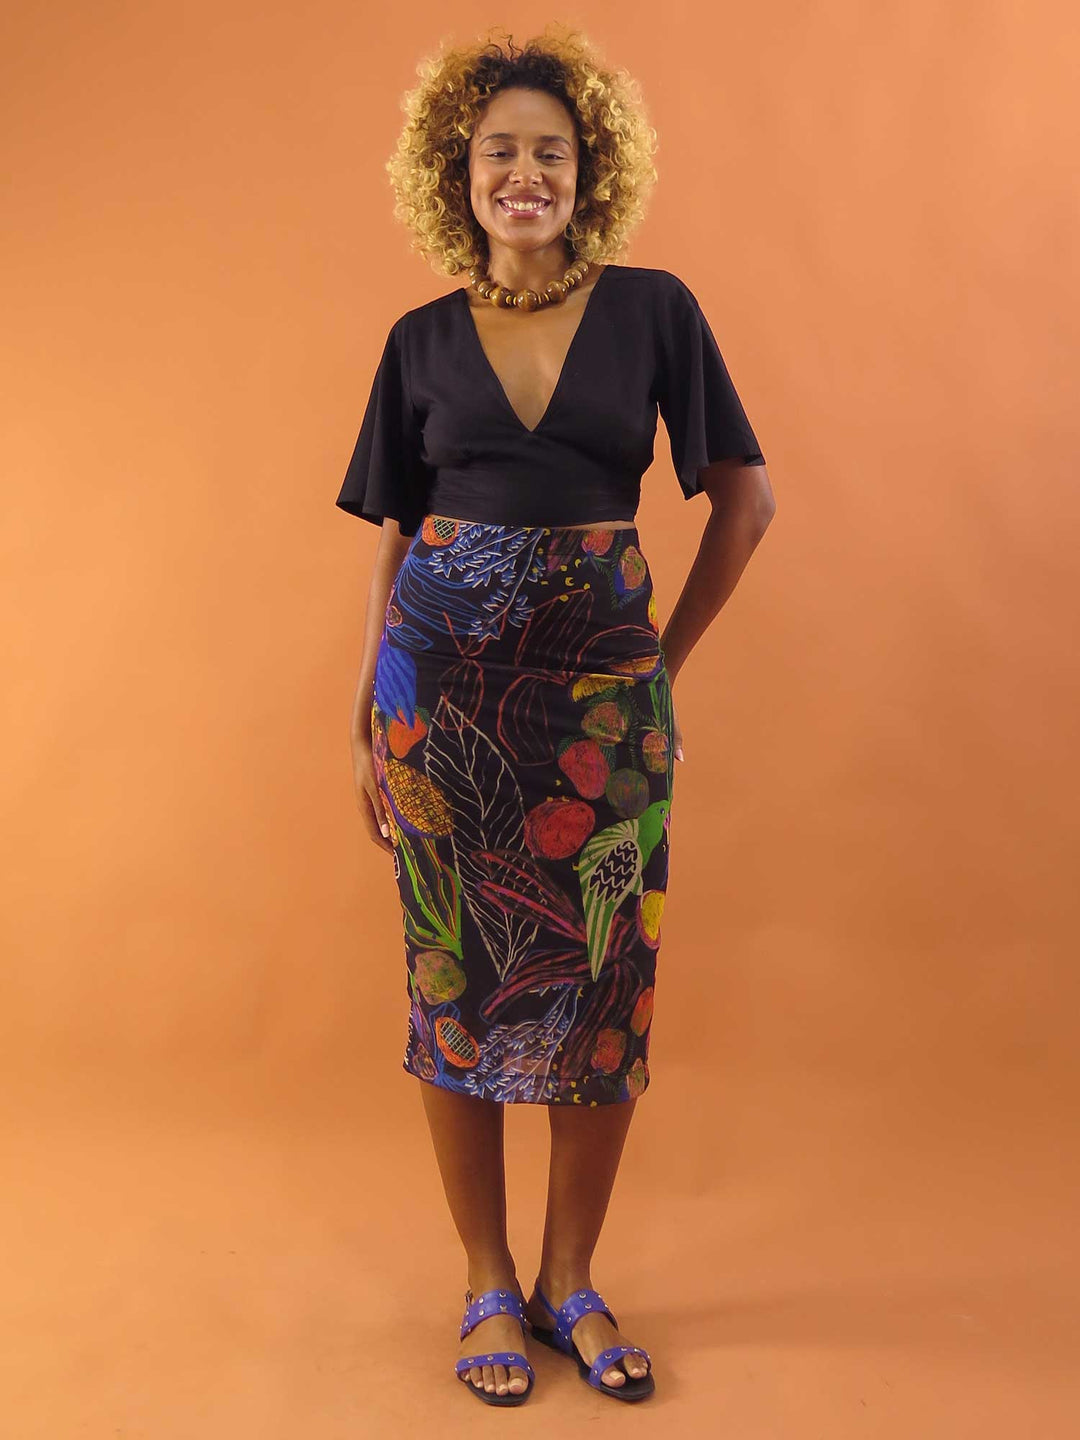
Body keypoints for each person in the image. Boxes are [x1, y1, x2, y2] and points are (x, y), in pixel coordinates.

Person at [336, 27, 775, 1408]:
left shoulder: (655, 312)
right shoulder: (416, 342)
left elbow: (746, 502)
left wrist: (660, 671)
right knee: (450, 977)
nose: (524, 173)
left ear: (592, 173)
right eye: (498, 152)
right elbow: (395, 536)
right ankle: (485, 1279)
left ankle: (567, 1278)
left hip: (601, 711)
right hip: (437, 704)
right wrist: (363, 713)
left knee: (605, 984)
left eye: (552, 151)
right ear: (455, 174)